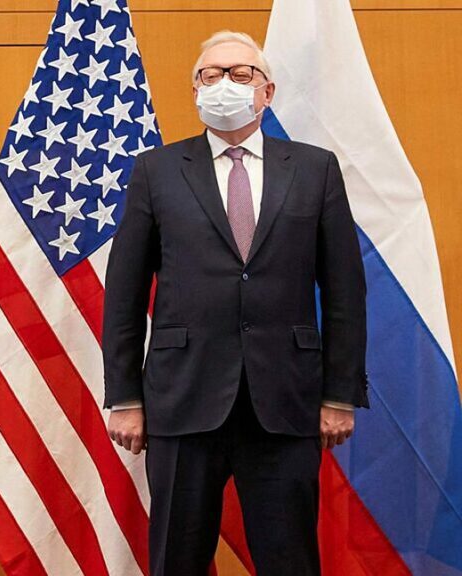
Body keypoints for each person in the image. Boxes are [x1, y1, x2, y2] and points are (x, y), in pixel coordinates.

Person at [103, 31, 368, 576]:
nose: (224, 83)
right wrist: (125, 397)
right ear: (195, 91)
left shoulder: (315, 169)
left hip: (285, 401)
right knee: (177, 559)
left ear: (267, 91)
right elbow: (124, 294)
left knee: (290, 560)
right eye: (211, 74)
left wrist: (340, 394)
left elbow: (345, 291)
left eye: (240, 74)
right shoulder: (156, 170)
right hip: (183, 397)